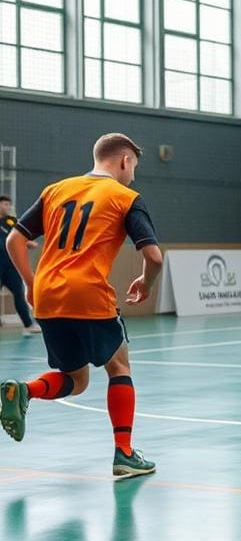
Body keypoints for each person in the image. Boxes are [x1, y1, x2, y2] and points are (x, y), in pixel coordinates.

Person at [1, 133, 163, 478]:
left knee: (76, 379)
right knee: (119, 367)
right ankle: (124, 453)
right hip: (88, 292)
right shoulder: (125, 197)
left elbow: (15, 238)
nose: (133, 174)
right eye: (133, 166)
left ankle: (24, 390)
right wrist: (146, 284)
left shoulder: (56, 190)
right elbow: (154, 256)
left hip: (48, 295)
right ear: (125, 161)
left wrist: (32, 283)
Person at [0, 195, 41, 334]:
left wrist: (28, 243)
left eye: (8, 205)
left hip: (11, 266)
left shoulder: (12, 222)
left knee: (19, 294)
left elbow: (19, 237)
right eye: (4, 204)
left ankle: (28, 325)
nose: (7, 207)